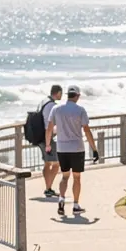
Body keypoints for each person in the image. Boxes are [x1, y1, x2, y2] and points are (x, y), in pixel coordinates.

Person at [45, 85, 98, 218]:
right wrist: (94, 148)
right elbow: (86, 130)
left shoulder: (56, 109)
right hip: (77, 148)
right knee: (77, 177)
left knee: (64, 176)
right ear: (78, 96)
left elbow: (49, 128)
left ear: (67, 95)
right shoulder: (80, 110)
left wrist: (47, 145)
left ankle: (61, 199)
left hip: (62, 148)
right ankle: (75, 205)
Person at [39, 84, 62, 198]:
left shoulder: (43, 101)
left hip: (40, 136)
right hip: (48, 137)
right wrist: (48, 143)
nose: (61, 95)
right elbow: (49, 126)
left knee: (47, 163)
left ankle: (48, 188)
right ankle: (48, 189)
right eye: (61, 93)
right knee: (57, 164)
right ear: (58, 93)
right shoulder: (52, 105)